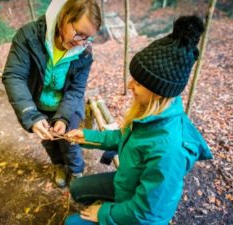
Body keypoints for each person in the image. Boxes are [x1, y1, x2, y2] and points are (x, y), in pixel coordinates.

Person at [64, 15, 213, 225]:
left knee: (71, 224)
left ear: (159, 92)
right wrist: (86, 136)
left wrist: (106, 213)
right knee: (77, 188)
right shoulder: (151, 114)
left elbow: (146, 213)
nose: (129, 86)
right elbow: (123, 137)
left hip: (141, 214)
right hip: (127, 185)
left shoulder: (170, 150)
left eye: (139, 83)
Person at [2, 0, 101, 188]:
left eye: (87, 37)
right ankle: (58, 165)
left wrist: (63, 118)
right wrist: (30, 114)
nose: (81, 42)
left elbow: (76, 90)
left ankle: (76, 171)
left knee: (70, 142)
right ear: (64, 17)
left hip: (67, 106)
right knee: (49, 142)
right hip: (38, 105)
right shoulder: (28, 36)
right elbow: (14, 75)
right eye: (79, 33)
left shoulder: (84, 53)